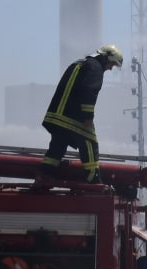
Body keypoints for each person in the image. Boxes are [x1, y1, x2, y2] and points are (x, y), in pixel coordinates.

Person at [40, 44, 123, 183]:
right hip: (72, 118)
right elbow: (89, 91)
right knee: (90, 141)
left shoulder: (79, 63)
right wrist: (88, 117)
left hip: (56, 116)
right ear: (107, 58)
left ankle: (45, 173)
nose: (110, 68)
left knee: (58, 144)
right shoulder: (96, 68)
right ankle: (93, 179)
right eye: (112, 64)